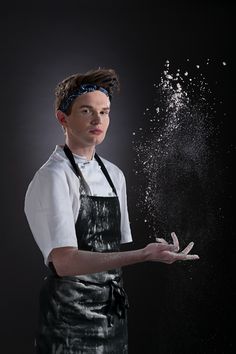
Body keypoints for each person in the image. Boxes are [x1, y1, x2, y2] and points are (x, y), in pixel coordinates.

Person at [24, 68, 199, 353]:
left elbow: (110, 254)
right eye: (86, 111)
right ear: (62, 118)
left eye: (104, 112)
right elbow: (64, 262)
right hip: (69, 322)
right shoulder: (54, 176)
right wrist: (143, 255)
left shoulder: (115, 175)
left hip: (111, 314)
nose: (98, 120)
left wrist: (153, 251)